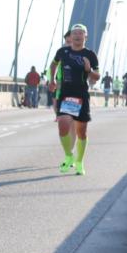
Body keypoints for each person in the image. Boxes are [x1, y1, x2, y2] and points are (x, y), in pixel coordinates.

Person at [49, 23, 99, 176]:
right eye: (74, 33)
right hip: (66, 95)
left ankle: (80, 161)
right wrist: (52, 79)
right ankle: (69, 156)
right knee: (63, 125)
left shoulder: (90, 54)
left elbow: (96, 77)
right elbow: (54, 63)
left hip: (82, 96)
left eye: (80, 33)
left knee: (81, 132)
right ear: (70, 36)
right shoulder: (63, 51)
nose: (77, 36)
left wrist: (88, 69)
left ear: (85, 36)